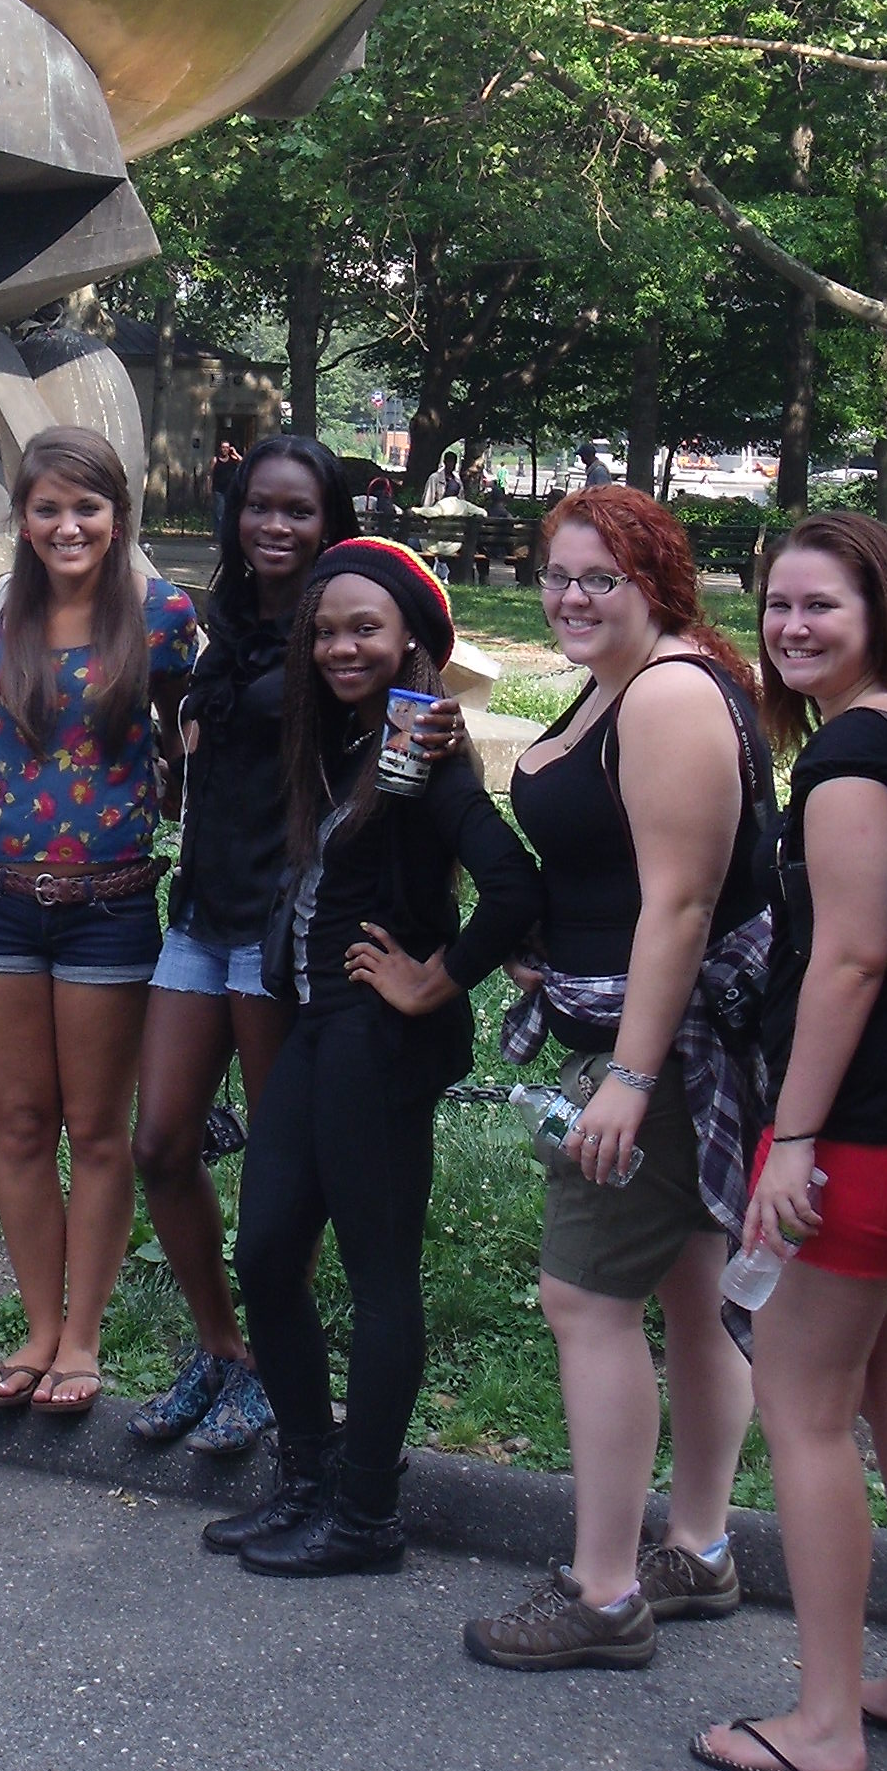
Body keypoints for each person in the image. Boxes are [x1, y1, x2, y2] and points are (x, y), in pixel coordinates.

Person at [688, 515, 887, 1771]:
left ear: (883, 613)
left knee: (804, 1415)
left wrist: (789, 1136)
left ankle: (823, 1720)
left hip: (858, 1129)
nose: (793, 629)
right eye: (777, 607)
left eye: (823, 608)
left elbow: (850, 960)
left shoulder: (855, 759)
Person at [467, 485, 776, 1670]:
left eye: (602, 578)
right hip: (651, 1038)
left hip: (664, 1050)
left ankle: (603, 1592)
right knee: (696, 1292)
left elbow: (683, 903)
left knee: (586, 1302)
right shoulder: (633, 681)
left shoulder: (671, 695)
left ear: (658, 580)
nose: (572, 597)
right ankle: (696, 1548)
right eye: (558, 575)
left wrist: (631, 1078)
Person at [221, 545, 542, 1572]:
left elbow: (510, 886)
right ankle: (308, 1476)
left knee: (377, 1274)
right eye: (324, 630)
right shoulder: (344, 738)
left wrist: (434, 978)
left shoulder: (420, 746)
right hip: (319, 1032)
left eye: (365, 627)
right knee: (266, 1253)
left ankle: (366, 1515)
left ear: (411, 639)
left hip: (378, 1039)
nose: (339, 646)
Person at [0, 424, 198, 1416]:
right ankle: (38, 1326)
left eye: (86, 507)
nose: (66, 525)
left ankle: (83, 1341)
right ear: (24, 518)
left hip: (109, 907)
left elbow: (190, 737)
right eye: (47, 508)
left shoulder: (164, 614)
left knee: (96, 1133)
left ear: (117, 515)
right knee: (19, 1127)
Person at [130, 434, 359, 1451]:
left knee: (275, 1163)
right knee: (162, 1140)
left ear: (329, 520)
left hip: (280, 928)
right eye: (261, 506)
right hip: (200, 909)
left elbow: (401, 724)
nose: (277, 526)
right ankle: (220, 1345)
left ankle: (274, 1361)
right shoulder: (215, 621)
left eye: (299, 510)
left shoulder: (342, 624)